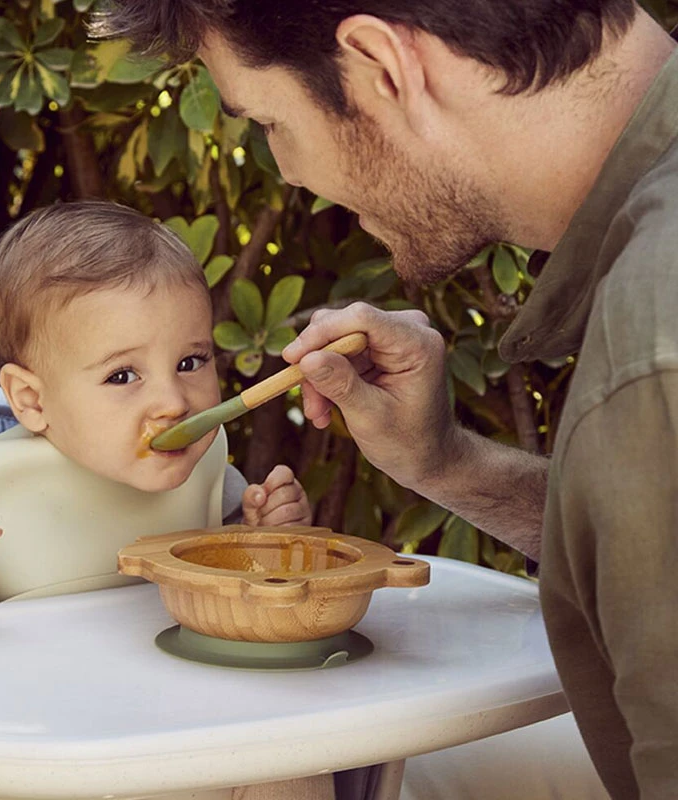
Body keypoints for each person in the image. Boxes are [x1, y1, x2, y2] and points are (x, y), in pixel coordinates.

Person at [93, 2, 678, 799]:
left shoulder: (655, 344)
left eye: (267, 120)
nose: (287, 170)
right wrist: (448, 464)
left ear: (382, 68)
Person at [0, 201, 312, 615]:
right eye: (122, 376)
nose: (174, 402)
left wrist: (267, 538)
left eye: (189, 363)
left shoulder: (215, 483)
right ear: (32, 399)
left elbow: (250, 584)